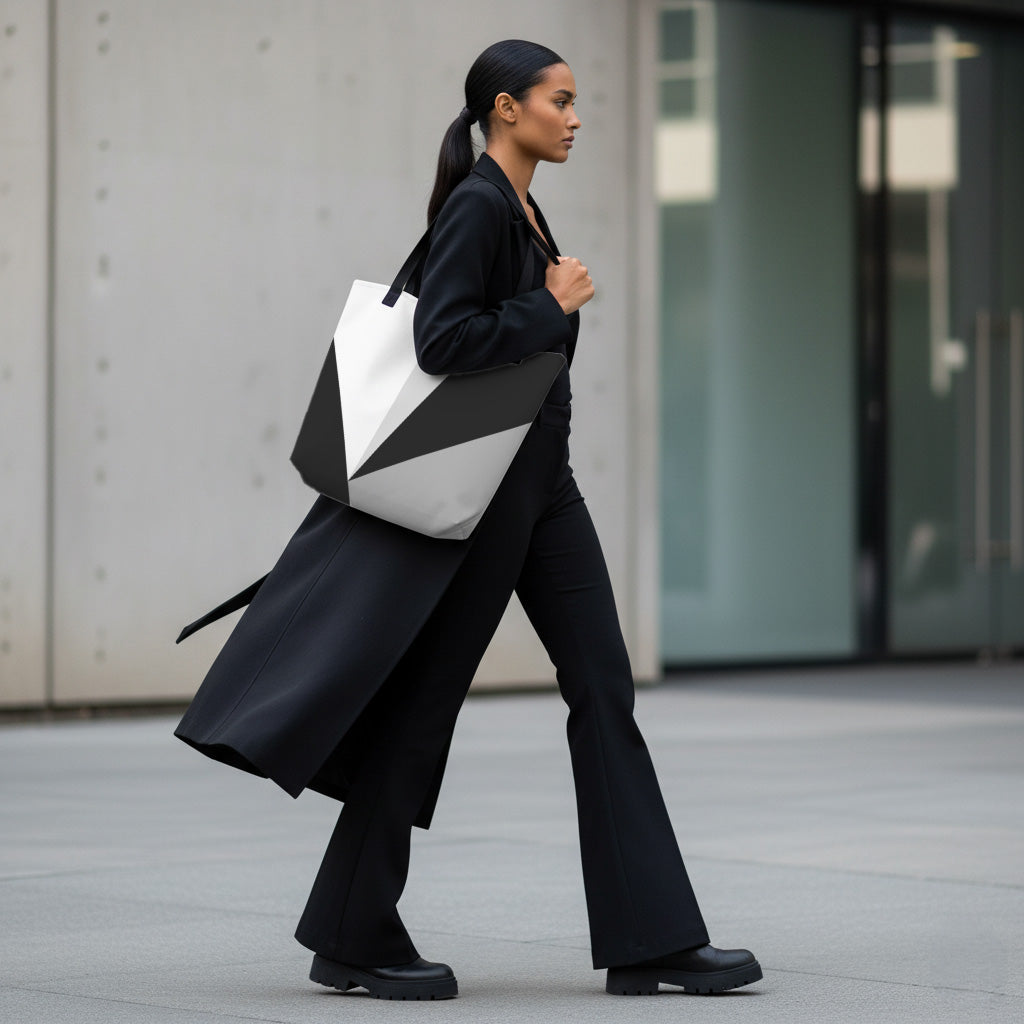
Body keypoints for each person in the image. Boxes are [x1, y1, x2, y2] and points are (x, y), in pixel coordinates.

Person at [174, 38, 761, 1002]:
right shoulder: (481, 205)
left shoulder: (522, 206)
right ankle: (353, 933)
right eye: (558, 100)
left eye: (577, 102)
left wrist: (542, 303)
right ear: (504, 108)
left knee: (603, 687)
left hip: (545, 489)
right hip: (487, 499)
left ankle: (651, 937)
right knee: (424, 701)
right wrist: (551, 305)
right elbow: (444, 338)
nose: (574, 117)